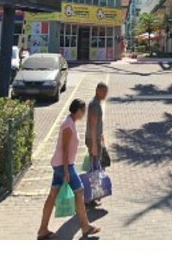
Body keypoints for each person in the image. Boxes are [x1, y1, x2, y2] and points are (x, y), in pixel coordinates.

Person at [37, 99, 100, 240]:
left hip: (61, 164)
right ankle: (85, 226)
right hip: (64, 165)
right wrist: (66, 170)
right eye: (83, 111)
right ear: (77, 110)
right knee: (80, 191)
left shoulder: (70, 123)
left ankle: (43, 229)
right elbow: (64, 149)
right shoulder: (67, 125)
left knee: (52, 196)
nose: (84, 114)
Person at [85, 82, 109, 207]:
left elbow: (97, 125)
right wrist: (94, 143)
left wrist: (101, 136)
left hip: (95, 139)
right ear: (97, 91)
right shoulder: (94, 105)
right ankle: (89, 197)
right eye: (104, 92)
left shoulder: (96, 103)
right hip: (92, 140)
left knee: (95, 167)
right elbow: (93, 125)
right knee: (93, 169)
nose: (106, 94)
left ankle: (92, 195)